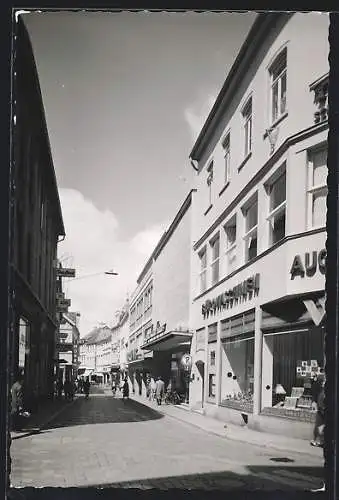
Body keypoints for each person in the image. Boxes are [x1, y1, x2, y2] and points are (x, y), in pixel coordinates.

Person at [310, 373, 325, 447]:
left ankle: (320, 440)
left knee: (320, 424)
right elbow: (315, 390)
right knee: (320, 423)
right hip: (321, 406)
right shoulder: (321, 378)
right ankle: (318, 440)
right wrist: (314, 401)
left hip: (324, 406)